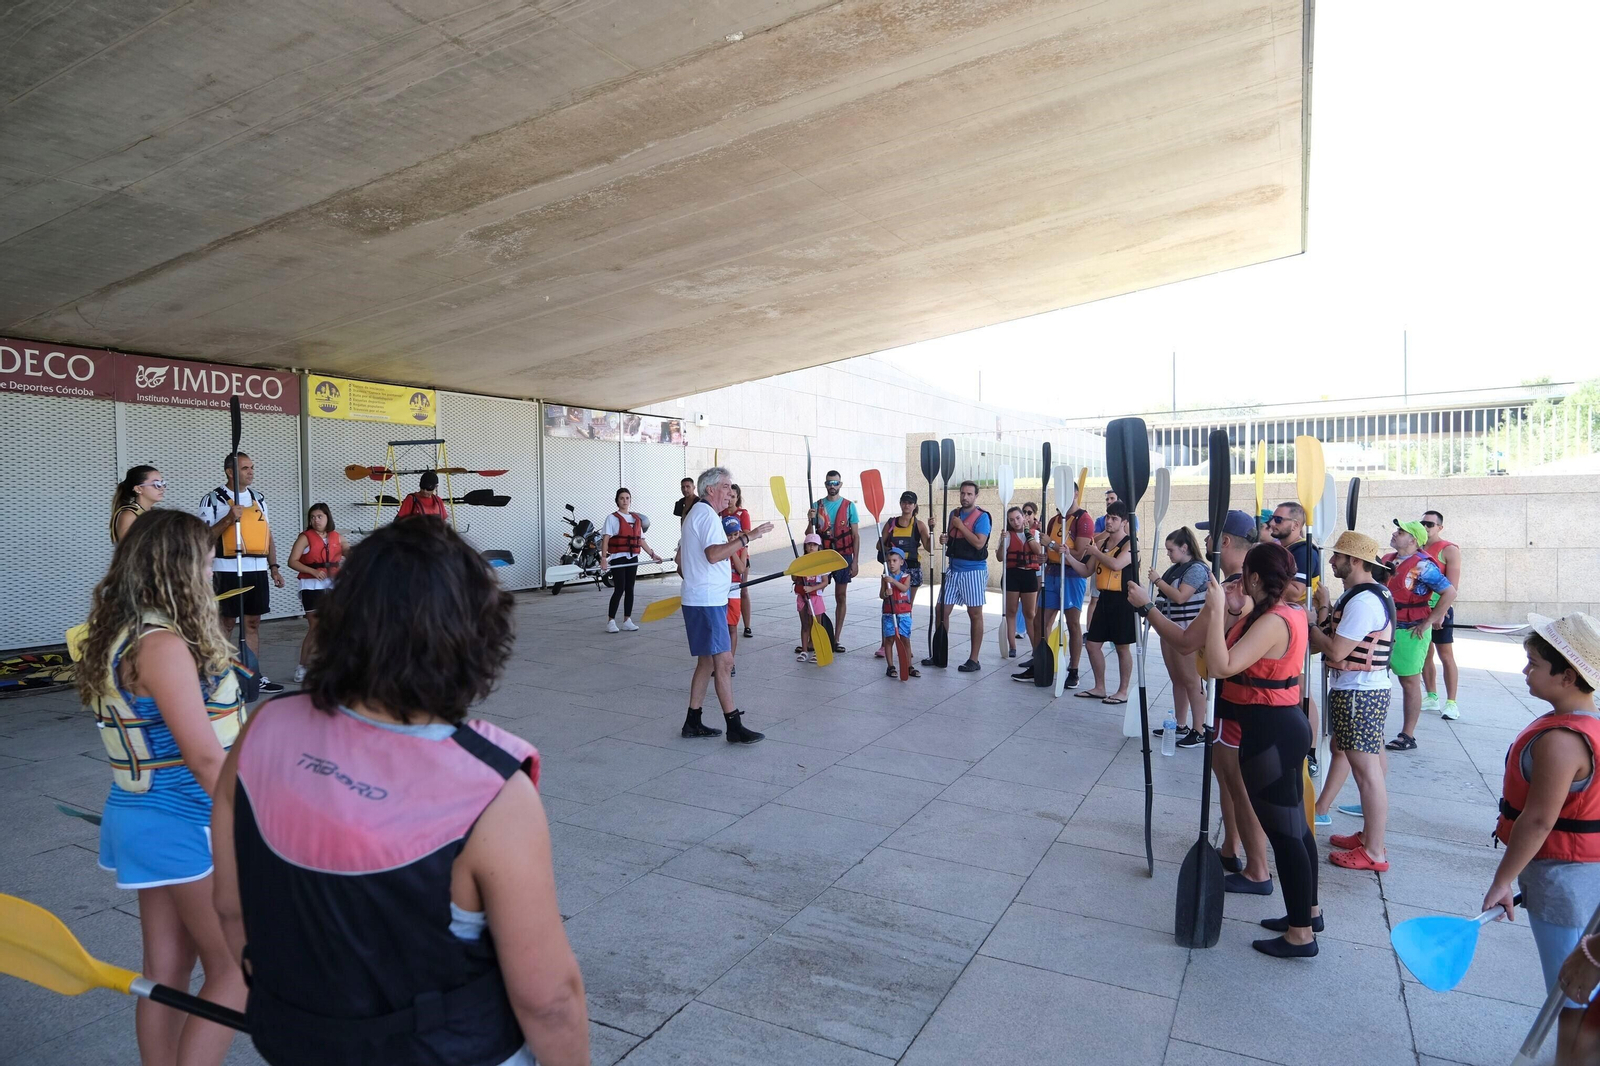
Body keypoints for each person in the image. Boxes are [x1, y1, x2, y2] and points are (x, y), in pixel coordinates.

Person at [209, 518, 590, 1066]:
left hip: (298, 1040)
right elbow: (550, 999)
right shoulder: (492, 789)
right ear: (472, 634)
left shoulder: (261, 730)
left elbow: (230, 909)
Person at [77, 510, 250, 1066]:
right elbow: (202, 754)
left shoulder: (122, 634)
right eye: (204, 560)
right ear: (177, 567)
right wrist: (255, 817)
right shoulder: (162, 645)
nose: (211, 571)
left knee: (165, 975)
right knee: (235, 972)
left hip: (143, 819)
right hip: (183, 823)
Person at [1481, 612, 1600, 1063]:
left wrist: (1501, 881)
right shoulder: (1586, 726)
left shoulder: (1562, 741)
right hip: (1584, 877)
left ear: (1567, 675)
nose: (1525, 671)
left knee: (1570, 996)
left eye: (1532, 663)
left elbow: (1537, 821)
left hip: (1565, 884)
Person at [1199, 542, 1319, 957]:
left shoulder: (1272, 620)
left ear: (1253, 578)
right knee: (1296, 829)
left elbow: (1220, 666)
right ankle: (1308, 911)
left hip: (1270, 731)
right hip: (1282, 725)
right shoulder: (1292, 612)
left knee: (1285, 834)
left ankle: (1300, 933)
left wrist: (1216, 611)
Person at [1305, 531, 1396, 871]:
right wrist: (1324, 607)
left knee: (1367, 772)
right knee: (1365, 767)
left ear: (1355, 561)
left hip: (1360, 692)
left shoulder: (1363, 602)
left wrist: (1308, 626)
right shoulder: (1363, 596)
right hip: (1360, 689)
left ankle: (1374, 851)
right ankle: (1370, 838)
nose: (1332, 561)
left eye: (1338, 557)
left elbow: (1337, 649)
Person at [677, 466, 773, 742]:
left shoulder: (701, 514)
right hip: (706, 603)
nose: (731, 491)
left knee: (707, 662)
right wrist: (747, 537)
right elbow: (713, 555)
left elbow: (681, 562)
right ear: (711, 490)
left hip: (705, 599)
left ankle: (692, 722)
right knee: (724, 661)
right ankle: (734, 726)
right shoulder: (706, 515)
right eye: (727, 486)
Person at [200, 452, 285, 694]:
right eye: (245, 468)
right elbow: (203, 538)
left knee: (253, 622)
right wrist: (229, 518)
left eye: (251, 467)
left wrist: (274, 567)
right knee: (225, 623)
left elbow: (267, 535)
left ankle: (252, 675)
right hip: (227, 570)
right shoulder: (212, 499)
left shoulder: (259, 498)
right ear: (230, 472)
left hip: (256, 569)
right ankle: (222, 675)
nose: (251, 471)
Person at [1383, 519, 1457, 752]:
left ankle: (1408, 735)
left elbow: (1449, 592)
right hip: (1384, 627)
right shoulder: (1386, 561)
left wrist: (1430, 620)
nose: (1395, 534)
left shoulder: (1424, 566)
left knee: (1409, 682)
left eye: (1400, 532)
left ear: (1413, 540)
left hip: (1410, 630)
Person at [1267, 501, 1328, 775]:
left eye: (1279, 520)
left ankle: (1310, 752)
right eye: (1272, 520)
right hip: (1281, 624)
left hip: (1294, 625)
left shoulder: (1303, 551)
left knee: (1300, 687)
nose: (1273, 524)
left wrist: (1263, 576)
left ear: (1296, 525)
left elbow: (1294, 592)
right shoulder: (1285, 550)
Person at [1015, 491, 1096, 686]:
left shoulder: (1083, 520)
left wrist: (1050, 544)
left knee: (1073, 623)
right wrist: (1045, 555)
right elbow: (1049, 550)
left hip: (1072, 577)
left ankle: (1073, 671)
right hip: (1051, 575)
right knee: (1039, 621)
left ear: (1074, 493)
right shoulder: (1053, 520)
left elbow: (1078, 553)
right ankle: (1040, 662)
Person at [922, 480, 991, 673]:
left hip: (974, 571)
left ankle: (974, 659)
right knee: (940, 609)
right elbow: (952, 539)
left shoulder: (982, 517)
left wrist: (960, 527)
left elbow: (979, 543)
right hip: (953, 569)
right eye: (962, 493)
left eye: (969, 494)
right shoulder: (954, 514)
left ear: (976, 496)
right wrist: (945, 538)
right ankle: (939, 652)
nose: (965, 497)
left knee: (974, 614)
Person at [1149, 527, 1209, 748]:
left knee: (1192, 680)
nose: (1168, 554)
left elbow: (1182, 597)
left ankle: (1199, 729)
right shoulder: (1176, 569)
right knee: (1177, 679)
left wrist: (1157, 581)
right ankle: (1181, 724)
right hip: (1170, 629)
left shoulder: (1197, 570)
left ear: (1184, 548)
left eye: (1171, 550)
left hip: (1188, 630)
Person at [1076, 503, 1136, 704]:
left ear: (1124, 522)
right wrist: (1067, 556)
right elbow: (1086, 571)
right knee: (1092, 645)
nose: (1109, 521)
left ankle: (1123, 690)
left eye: (1114, 518)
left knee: (1121, 647)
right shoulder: (1101, 545)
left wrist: (1095, 551)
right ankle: (1099, 687)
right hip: (1104, 599)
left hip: (1123, 600)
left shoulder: (1130, 543)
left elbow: (1116, 564)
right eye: (1108, 517)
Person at [286, 503, 342, 685]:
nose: (315, 520)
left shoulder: (336, 537)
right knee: (316, 625)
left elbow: (350, 553)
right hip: (310, 585)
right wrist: (312, 571)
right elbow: (292, 561)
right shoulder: (305, 537)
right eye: (313, 517)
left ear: (328, 517)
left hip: (332, 585)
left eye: (319, 516)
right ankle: (303, 666)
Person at [807, 470, 859, 652]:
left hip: (844, 556)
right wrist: (809, 519)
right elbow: (809, 536)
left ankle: (836, 638)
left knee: (840, 596)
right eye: (829, 482)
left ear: (840, 484)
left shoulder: (849, 506)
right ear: (825, 484)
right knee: (815, 595)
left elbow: (855, 535)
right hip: (824, 555)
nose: (832, 486)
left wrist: (855, 562)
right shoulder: (817, 505)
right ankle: (815, 637)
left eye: (835, 483)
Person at [1419, 509, 1463, 720]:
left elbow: (1452, 587)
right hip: (1419, 608)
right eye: (1423, 523)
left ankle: (1452, 702)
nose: (1426, 527)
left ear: (1439, 527)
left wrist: (1441, 613)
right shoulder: (1417, 547)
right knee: (1425, 654)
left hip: (1440, 609)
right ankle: (1431, 695)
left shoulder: (1449, 550)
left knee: (1445, 655)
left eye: (1430, 524)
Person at [876, 491, 931, 659]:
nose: (907, 505)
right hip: (894, 569)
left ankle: (905, 644)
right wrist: (893, 553)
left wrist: (933, 530)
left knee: (906, 608)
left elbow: (929, 547)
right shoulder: (891, 523)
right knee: (889, 605)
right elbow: (880, 545)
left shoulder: (919, 525)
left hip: (912, 570)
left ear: (915, 506)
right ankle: (886, 644)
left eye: (910, 502)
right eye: (904, 502)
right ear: (901, 504)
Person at [600, 488, 663, 633]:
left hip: (632, 557)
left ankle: (627, 620)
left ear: (630, 500)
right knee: (619, 588)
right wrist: (604, 558)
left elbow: (640, 540)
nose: (624, 501)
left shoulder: (636, 519)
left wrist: (653, 555)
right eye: (621, 498)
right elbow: (606, 539)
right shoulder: (612, 518)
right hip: (618, 557)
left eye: (627, 498)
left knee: (630, 589)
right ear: (617, 500)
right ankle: (611, 621)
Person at [997, 506, 1043, 659]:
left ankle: (1035, 648)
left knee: (1030, 613)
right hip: (1012, 574)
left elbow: (1037, 551)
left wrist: (1028, 533)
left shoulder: (1035, 533)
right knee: (1011, 611)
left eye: (1018, 518)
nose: (1015, 522)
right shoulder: (1007, 535)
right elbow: (999, 557)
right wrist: (1003, 542)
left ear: (1024, 517)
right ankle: (1012, 646)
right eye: (1011, 520)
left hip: (1029, 575)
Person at [880, 546, 918, 678]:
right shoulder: (885, 578)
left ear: (901, 562)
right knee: (889, 639)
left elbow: (904, 588)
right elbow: (881, 595)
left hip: (903, 614)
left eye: (894, 560)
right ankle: (890, 666)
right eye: (889, 561)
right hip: (889, 614)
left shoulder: (906, 576)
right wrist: (886, 592)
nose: (891, 563)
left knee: (905, 639)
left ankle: (908, 665)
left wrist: (893, 582)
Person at [724, 484, 755, 639]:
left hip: (741, 554)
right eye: (728, 496)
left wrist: (733, 534)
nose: (729, 499)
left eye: (733, 497)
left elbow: (747, 534)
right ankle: (727, 622)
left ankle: (747, 625)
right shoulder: (720, 512)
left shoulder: (743, 513)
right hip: (724, 555)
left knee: (743, 589)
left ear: (737, 498)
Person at [795, 534, 831, 662]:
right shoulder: (801, 561)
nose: (811, 547)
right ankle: (804, 650)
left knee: (816, 625)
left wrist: (812, 589)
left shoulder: (821, 563)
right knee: (805, 624)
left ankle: (817, 650)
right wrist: (796, 570)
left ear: (818, 547)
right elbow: (794, 578)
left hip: (815, 597)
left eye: (814, 545)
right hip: (802, 596)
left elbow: (825, 582)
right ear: (805, 546)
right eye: (809, 544)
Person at [111, 464, 165, 543]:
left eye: (162, 483)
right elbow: (129, 548)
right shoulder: (129, 515)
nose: (162, 488)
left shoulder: (154, 513)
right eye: (156, 484)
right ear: (138, 489)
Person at [723, 513, 748, 672]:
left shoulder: (742, 548)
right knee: (720, 628)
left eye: (736, 534)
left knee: (732, 627)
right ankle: (720, 661)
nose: (733, 538)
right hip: (719, 589)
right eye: (729, 535)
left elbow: (741, 569)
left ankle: (730, 662)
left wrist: (731, 550)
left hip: (733, 590)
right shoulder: (717, 546)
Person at [1014, 502, 1040, 640]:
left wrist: (1028, 532)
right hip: (1018, 572)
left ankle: (1034, 643)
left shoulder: (1037, 531)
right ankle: (1019, 629)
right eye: (1024, 512)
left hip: (1035, 571)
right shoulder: (1015, 530)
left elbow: (1038, 550)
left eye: (1029, 512)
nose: (1026, 515)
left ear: (1034, 514)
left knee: (1032, 607)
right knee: (1019, 604)